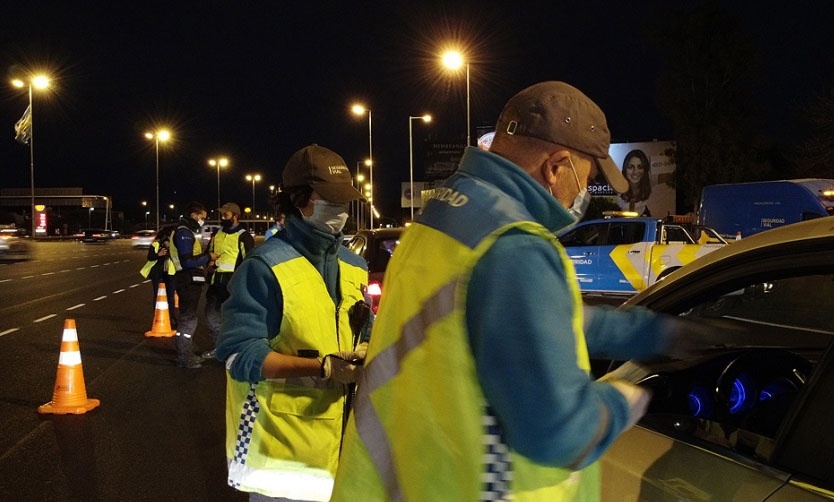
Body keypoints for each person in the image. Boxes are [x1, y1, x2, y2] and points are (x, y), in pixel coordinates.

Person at [332, 82, 697, 501]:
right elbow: (556, 433)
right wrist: (626, 397)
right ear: (557, 166)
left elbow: (526, 321)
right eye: (587, 177)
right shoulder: (515, 245)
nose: (582, 194)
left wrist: (653, 334)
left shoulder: (439, 222)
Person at [216, 144, 373, 500]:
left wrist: (369, 348)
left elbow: (364, 331)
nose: (340, 211)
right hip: (281, 463)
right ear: (299, 200)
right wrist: (321, 368)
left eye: (344, 202)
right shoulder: (263, 267)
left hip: (343, 454)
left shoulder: (353, 265)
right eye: (330, 201)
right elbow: (238, 357)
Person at [201, 202, 254, 361]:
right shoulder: (217, 233)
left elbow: (249, 261)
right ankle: (220, 348)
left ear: (235, 216)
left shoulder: (244, 236)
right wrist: (208, 262)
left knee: (234, 318)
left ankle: (236, 350)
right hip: (215, 281)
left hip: (233, 283)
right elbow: (208, 252)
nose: (222, 217)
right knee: (211, 316)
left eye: (226, 215)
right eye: (222, 214)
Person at [169, 201, 218, 369]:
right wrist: (208, 256)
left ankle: (186, 348)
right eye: (202, 218)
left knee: (189, 318)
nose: (202, 221)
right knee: (188, 319)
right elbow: (188, 261)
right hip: (187, 279)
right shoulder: (184, 233)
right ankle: (184, 356)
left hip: (188, 279)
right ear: (194, 216)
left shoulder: (185, 231)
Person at [139, 225, 177, 321]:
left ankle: (171, 317)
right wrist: (158, 255)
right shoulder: (156, 244)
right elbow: (150, 257)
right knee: (158, 295)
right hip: (158, 273)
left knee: (171, 296)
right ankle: (158, 317)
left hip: (170, 273)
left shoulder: (174, 244)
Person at [619, 148, 652, 216]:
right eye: (630, 167)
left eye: (640, 167)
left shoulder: (652, 188)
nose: (635, 172)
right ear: (625, 169)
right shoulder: (617, 189)